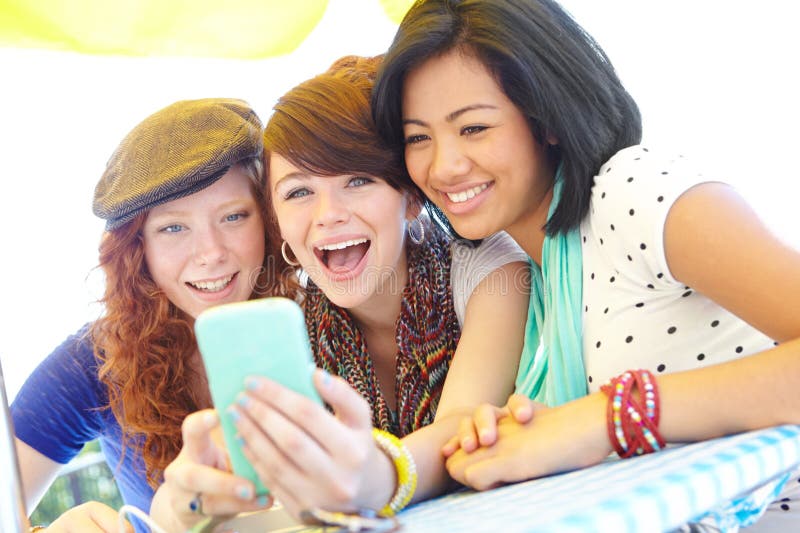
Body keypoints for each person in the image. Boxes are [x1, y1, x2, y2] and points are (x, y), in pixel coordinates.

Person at [370, 0, 800, 529]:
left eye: (474, 128)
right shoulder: (533, 273)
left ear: (548, 118)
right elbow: (462, 433)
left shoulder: (634, 189)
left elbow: (589, 426)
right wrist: (358, 470)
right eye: (419, 138)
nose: (444, 166)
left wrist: (601, 419)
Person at [150, 55, 530, 531]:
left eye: (357, 180)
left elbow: (459, 429)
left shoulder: (490, 270)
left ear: (411, 197)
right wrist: (180, 504)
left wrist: (376, 475)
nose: (328, 214)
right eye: (298, 192)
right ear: (278, 221)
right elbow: (257, 489)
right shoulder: (291, 329)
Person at [11, 98, 277, 532]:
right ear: (138, 250)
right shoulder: (94, 360)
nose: (211, 253)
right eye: (173, 227)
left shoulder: (324, 316)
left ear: (267, 218)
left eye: (233, 217)